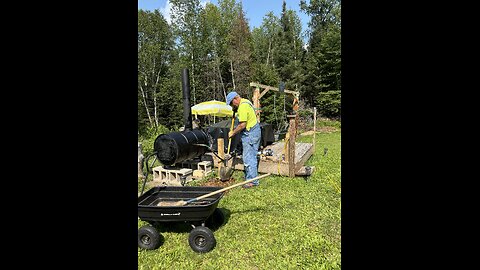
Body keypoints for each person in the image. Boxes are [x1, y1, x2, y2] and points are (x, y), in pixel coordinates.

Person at [226, 91, 261, 188]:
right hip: (253, 131)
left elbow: (242, 125)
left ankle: (252, 181)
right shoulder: (245, 102)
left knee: (249, 158)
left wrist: (233, 132)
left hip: (250, 134)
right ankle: (249, 177)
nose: (232, 106)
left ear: (235, 99)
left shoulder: (242, 107)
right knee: (249, 156)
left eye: (231, 104)